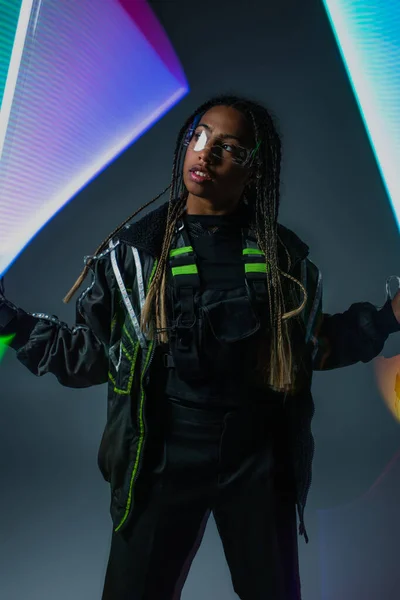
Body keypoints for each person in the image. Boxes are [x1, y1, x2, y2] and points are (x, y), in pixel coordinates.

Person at [1, 94, 399, 600]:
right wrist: (7, 321)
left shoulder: (284, 260)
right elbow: (91, 358)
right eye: (199, 135)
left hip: (257, 461)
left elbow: (309, 349)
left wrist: (387, 318)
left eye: (228, 148)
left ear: (254, 170)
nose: (204, 154)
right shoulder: (135, 256)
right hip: (163, 457)